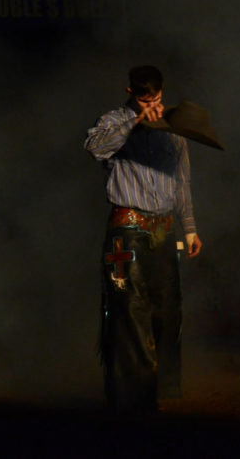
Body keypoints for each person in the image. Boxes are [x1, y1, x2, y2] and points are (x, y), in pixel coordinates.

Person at [83, 65, 202, 413]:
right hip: (128, 231)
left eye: (158, 98)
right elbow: (95, 148)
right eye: (145, 99)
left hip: (164, 228)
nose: (152, 105)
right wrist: (135, 121)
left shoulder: (172, 127)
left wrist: (191, 227)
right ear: (131, 92)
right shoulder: (114, 120)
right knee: (130, 312)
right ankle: (134, 397)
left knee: (168, 309)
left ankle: (164, 389)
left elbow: (182, 182)